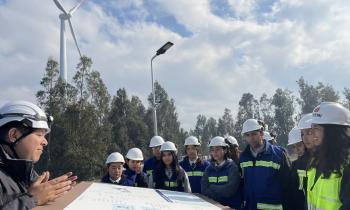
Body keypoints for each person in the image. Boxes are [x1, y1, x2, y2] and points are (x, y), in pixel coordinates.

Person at [0, 101, 77, 209]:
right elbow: (33, 198)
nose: (45, 142)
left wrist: (47, 193)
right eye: (39, 134)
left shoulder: (24, 172)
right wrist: (32, 199)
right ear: (13, 135)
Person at [307, 102, 350, 210]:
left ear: (332, 132)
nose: (311, 133)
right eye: (311, 128)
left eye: (316, 128)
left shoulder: (346, 167)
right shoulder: (316, 162)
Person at [239, 119, 291, 210]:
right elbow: (242, 184)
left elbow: (288, 185)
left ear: (261, 133)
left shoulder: (278, 155)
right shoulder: (243, 157)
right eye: (247, 135)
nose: (251, 138)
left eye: (254, 134)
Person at [201, 136, 241, 209]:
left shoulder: (232, 167)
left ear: (225, 150)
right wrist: (220, 190)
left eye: (218, 149)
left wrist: (212, 187)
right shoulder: (209, 169)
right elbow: (204, 190)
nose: (215, 152)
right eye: (212, 150)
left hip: (230, 207)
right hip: (213, 207)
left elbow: (229, 190)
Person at [288, 114, 314, 210]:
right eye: (293, 147)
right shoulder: (295, 165)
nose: (296, 150)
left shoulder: (316, 163)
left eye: (299, 145)